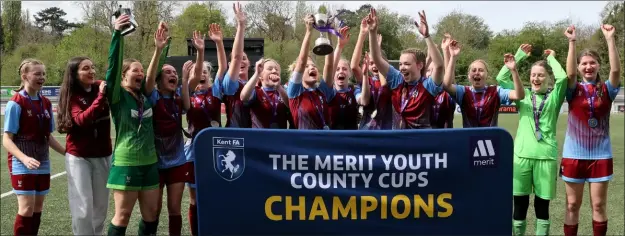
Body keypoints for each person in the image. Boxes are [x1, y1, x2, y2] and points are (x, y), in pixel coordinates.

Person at [497, 45, 571, 235]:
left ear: (548, 78)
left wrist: (552, 59)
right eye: (533, 75)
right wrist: (518, 57)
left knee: (542, 207)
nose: (536, 79)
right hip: (521, 156)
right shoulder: (523, 95)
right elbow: (501, 79)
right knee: (519, 206)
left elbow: (563, 78)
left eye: (540, 75)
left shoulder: (554, 97)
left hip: (545, 157)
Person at [561, 24, 621, 236]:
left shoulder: (607, 89)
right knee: (571, 206)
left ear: (598, 65)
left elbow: (615, 70)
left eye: (592, 62)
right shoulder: (572, 89)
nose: (588, 66)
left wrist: (610, 39)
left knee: (598, 206)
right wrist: (572, 41)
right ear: (578, 67)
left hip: (601, 156)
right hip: (573, 156)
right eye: (584, 63)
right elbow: (568, 73)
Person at [104, 14, 160, 236]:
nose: (140, 73)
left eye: (141, 70)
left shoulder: (144, 96)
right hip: (126, 162)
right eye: (135, 70)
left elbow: (154, 73)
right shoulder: (118, 98)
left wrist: (160, 48)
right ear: (123, 77)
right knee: (123, 215)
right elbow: (113, 68)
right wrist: (117, 34)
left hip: (150, 162)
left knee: (152, 214)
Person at [144, 23, 198, 236]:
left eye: (174, 72)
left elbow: (187, 103)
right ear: (159, 79)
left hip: (176, 161)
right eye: (167, 72)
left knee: (174, 209)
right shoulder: (153, 96)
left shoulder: (177, 99)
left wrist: (185, 78)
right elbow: (148, 80)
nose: (172, 74)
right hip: (155, 162)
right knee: (154, 210)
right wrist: (158, 50)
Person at [3, 58, 66, 236]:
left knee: (37, 208)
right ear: (24, 76)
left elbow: (48, 137)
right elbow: (7, 140)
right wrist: (24, 158)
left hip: (42, 162)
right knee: (26, 208)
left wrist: (67, 153)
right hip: (22, 163)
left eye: (43, 74)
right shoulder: (15, 103)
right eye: (37, 73)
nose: (42, 77)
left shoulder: (45, 103)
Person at [56, 56, 112, 236]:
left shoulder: (99, 86)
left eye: (92, 67)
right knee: (82, 208)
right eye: (85, 68)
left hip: (103, 154)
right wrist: (101, 97)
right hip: (79, 157)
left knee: (101, 207)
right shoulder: (72, 95)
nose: (91, 71)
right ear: (75, 73)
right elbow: (82, 120)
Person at [367, 8, 445, 129]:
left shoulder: (428, 86)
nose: (402, 67)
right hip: (398, 141)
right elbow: (377, 59)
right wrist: (372, 32)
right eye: (401, 64)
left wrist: (427, 36)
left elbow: (439, 66)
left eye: (407, 64)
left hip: (421, 142)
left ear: (420, 65)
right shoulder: (397, 80)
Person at [184, 22, 226, 236]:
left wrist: (218, 43)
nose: (201, 76)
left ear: (209, 75)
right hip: (193, 149)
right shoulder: (188, 93)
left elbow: (224, 68)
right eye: (196, 73)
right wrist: (199, 52)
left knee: (216, 193)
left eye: (204, 73)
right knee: (194, 198)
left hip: (216, 150)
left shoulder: (216, 90)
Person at [441, 39, 525, 127]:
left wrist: (513, 70)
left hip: (491, 139)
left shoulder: (496, 91)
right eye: (473, 70)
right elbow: (446, 85)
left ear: (487, 75)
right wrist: (453, 57)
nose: (477, 72)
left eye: (481, 70)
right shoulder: (463, 92)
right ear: (469, 76)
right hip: (469, 139)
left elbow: (519, 95)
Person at [286, 14, 336, 130]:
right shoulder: (295, 93)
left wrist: (329, 32)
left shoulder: (322, 90)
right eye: (307, 67)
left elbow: (329, 65)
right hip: (304, 145)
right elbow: (301, 62)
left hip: (324, 144)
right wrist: (308, 31)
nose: (312, 68)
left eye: (313, 66)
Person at [222, 2, 253, 128]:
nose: (241, 61)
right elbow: (236, 57)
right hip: (235, 138)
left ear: (249, 64)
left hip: (255, 137)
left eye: (244, 59)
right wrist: (241, 26)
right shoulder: (230, 85)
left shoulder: (256, 84)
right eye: (239, 60)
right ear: (230, 65)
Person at [240, 58, 290, 129]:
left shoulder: (283, 90)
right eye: (270, 69)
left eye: (276, 69)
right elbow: (243, 97)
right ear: (260, 76)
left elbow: (291, 105)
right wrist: (257, 73)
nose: (274, 71)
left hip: (280, 138)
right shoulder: (256, 91)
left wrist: (278, 87)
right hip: (260, 138)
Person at [328, 27, 359, 130]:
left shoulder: (354, 91)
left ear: (350, 73)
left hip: (352, 140)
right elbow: (330, 67)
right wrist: (339, 46)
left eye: (344, 69)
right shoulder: (328, 93)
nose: (341, 71)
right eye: (337, 69)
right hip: (332, 139)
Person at [427, 34, 456, 129]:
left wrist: (445, 51)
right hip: (425, 140)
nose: (431, 73)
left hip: (446, 140)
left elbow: (449, 79)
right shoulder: (421, 91)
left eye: (434, 70)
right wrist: (429, 56)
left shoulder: (447, 92)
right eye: (428, 70)